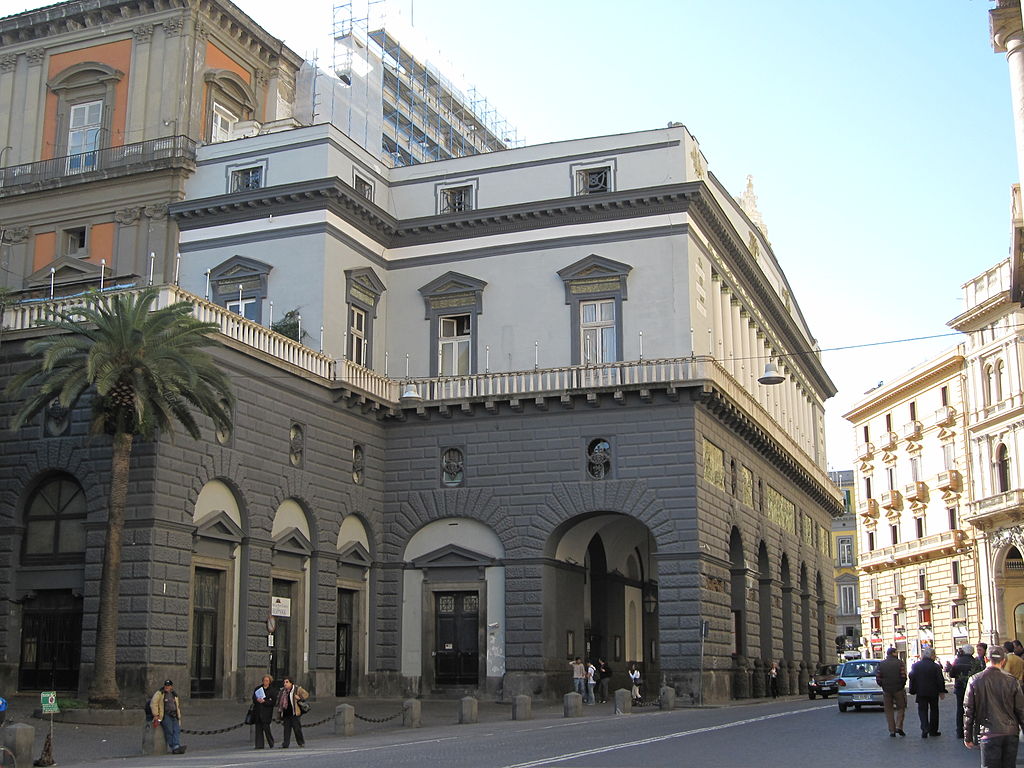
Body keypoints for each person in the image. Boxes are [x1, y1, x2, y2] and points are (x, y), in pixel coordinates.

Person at [964, 644, 1024, 767]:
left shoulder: (975, 680)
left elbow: (969, 710)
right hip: (1010, 733)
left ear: (986, 659)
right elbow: (1021, 710)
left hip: (988, 733)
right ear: (1003, 661)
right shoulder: (1012, 681)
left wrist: (967, 736)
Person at [909, 646, 947, 738]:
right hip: (933, 692)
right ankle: (933, 730)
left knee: (922, 710)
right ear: (932, 656)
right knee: (934, 710)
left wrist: (912, 690)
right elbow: (940, 680)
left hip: (921, 692)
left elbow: (912, 678)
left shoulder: (916, 665)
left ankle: (924, 728)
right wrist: (941, 691)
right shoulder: (936, 666)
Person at [950, 645, 984, 740]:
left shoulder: (957, 661)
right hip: (973, 689)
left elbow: (952, 674)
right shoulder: (975, 662)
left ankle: (960, 732)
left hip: (960, 688)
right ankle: (974, 731)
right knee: (973, 709)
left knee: (960, 709)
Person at [875, 647, 908, 738]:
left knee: (889, 710)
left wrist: (883, 685)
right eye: (896, 652)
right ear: (893, 653)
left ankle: (892, 730)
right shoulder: (899, 663)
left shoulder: (881, 664)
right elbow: (903, 676)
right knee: (901, 707)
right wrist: (902, 685)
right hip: (898, 689)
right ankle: (898, 726)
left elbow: (878, 677)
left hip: (886, 689)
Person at [150, 680, 186, 754]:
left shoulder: (174, 694)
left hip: (174, 715)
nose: (167, 687)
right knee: (169, 731)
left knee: (176, 730)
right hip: (165, 715)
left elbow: (177, 706)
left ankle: (176, 745)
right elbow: (154, 703)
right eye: (166, 685)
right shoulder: (160, 693)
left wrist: (178, 716)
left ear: (171, 686)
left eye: (168, 685)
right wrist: (156, 715)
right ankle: (174, 747)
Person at [275, 676, 309, 748]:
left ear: (291, 683)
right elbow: (279, 702)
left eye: (287, 682)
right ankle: (285, 744)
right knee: (286, 730)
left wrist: (299, 698)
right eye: (284, 682)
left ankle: (301, 742)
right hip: (286, 713)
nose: (285, 684)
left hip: (295, 713)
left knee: (297, 729)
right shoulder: (282, 691)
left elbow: (306, 694)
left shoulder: (296, 689)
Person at [252, 674, 277, 750]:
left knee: (267, 728)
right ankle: (259, 745)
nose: (265, 682)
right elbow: (254, 697)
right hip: (258, 711)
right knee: (258, 729)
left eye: (267, 681)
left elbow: (273, 702)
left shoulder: (272, 690)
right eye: (264, 680)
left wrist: (265, 701)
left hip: (267, 712)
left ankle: (271, 742)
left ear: (269, 682)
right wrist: (257, 700)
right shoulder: (258, 688)